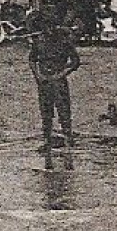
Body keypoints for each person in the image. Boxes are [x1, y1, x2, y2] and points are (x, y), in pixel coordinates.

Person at [28, 11, 81, 148]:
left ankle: (68, 136)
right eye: (45, 27)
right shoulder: (39, 41)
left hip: (58, 80)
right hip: (44, 80)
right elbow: (32, 60)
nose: (49, 30)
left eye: (51, 26)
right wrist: (38, 75)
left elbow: (75, 61)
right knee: (45, 110)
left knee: (63, 109)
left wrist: (62, 73)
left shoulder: (63, 41)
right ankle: (46, 137)